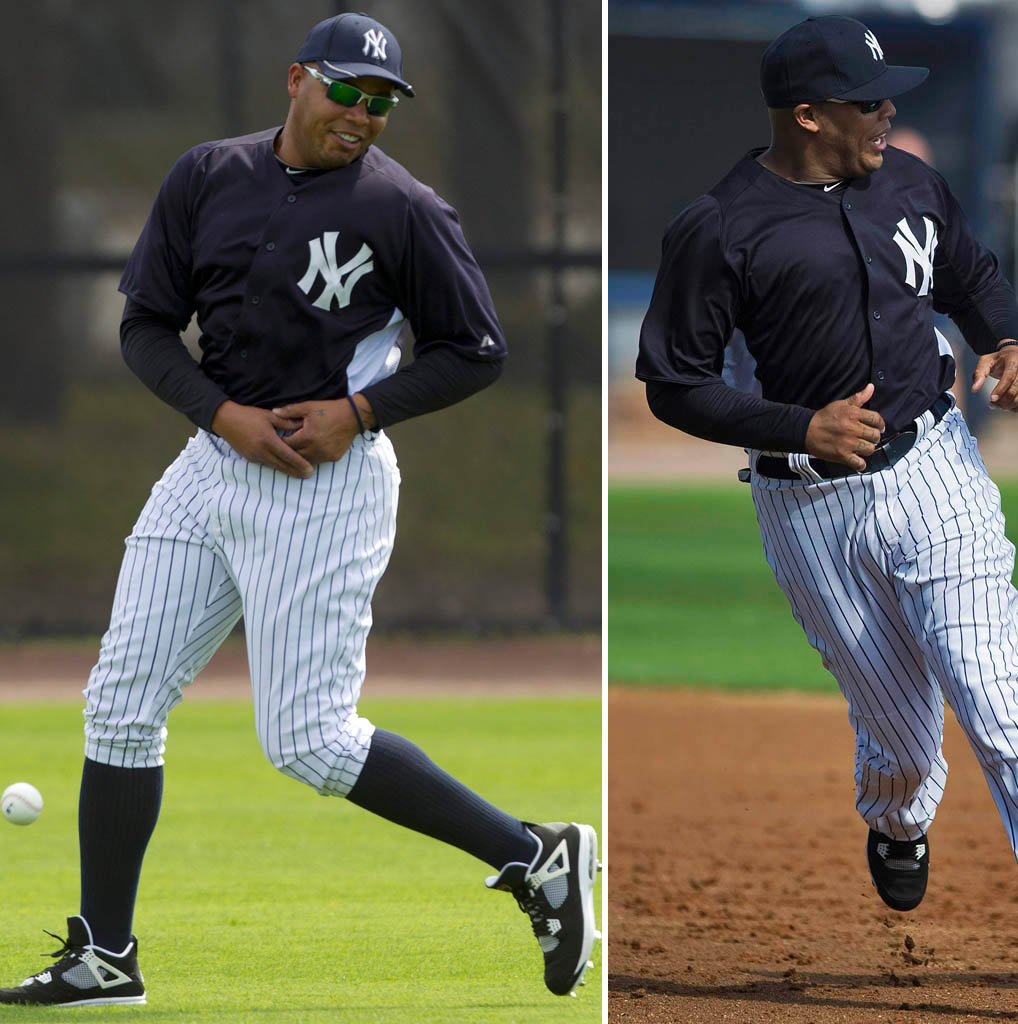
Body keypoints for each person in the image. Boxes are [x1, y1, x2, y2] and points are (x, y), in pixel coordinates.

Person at [0, 13, 597, 1007]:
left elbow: (478, 349)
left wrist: (360, 412)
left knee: (310, 741)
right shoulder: (207, 176)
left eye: (381, 102)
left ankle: (534, 854)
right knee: (119, 702)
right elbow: (145, 325)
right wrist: (220, 414)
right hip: (213, 462)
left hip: (328, 483)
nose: (362, 114)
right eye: (346, 91)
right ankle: (105, 955)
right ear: (296, 81)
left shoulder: (404, 208)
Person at [635, 16, 1018, 1024]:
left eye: (891, 98)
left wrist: (1005, 339)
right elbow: (673, 384)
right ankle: (898, 820)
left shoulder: (912, 183)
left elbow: (968, 269)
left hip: (937, 468)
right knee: (903, 742)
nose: (890, 114)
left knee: (1001, 702)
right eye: (871, 102)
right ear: (807, 114)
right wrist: (797, 424)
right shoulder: (722, 225)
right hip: (808, 506)